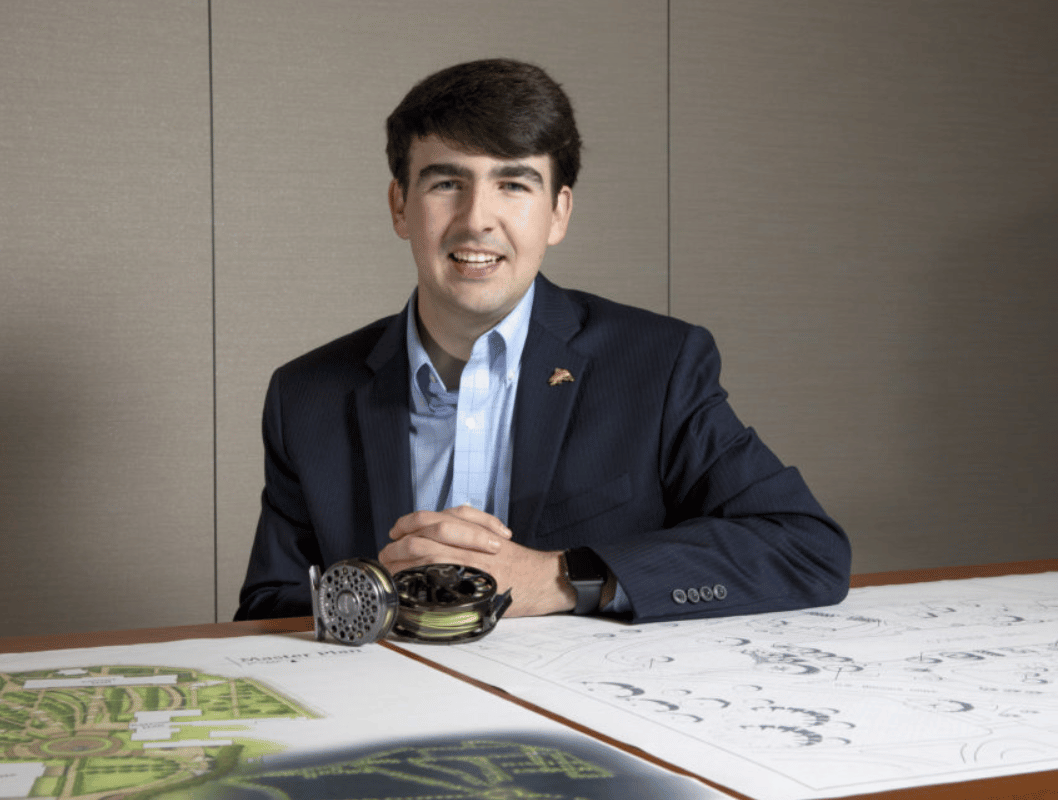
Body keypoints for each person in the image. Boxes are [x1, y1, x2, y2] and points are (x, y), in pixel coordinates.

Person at [234, 58, 849, 622]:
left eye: (513, 185)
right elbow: (268, 608)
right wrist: (383, 593)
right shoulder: (307, 393)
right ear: (400, 205)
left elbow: (804, 548)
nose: (477, 218)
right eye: (446, 183)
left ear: (559, 212)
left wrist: (559, 577)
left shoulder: (657, 365)